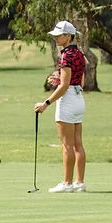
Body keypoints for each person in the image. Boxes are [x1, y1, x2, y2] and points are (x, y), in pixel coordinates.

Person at [34, 21, 87, 193]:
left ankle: (67, 183)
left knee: (67, 145)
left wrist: (46, 103)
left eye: (59, 35)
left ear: (68, 36)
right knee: (78, 144)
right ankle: (79, 183)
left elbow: (64, 87)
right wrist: (60, 81)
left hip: (68, 100)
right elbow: (81, 81)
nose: (56, 37)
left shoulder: (66, 56)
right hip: (79, 98)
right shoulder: (79, 54)